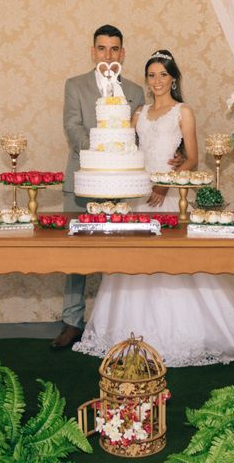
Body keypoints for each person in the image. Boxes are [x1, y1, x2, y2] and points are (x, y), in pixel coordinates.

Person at [73, 50, 234, 366]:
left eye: (162, 74)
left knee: (174, 262)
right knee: (135, 265)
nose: (157, 81)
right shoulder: (138, 114)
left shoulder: (183, 112)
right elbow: (126, 151)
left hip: (170, 195)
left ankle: (189, 333)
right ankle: (130, 333)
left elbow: (192, 158)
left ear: (173, 78)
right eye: (151, 75)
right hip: (138, 194)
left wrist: (165, 183)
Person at [54, 24, 146, 349]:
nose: (108, 55)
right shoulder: (75, 85)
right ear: (93, 51)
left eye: (114, 49)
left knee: (118, 255)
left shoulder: (135, 91)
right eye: (102, 48)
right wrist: (99, 152)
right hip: (82, 180)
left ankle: (113, 324)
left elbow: (138, 134)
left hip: (121, 185)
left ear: (122, 53)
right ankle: (71, 322)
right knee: (76, 257)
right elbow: (72, 126)